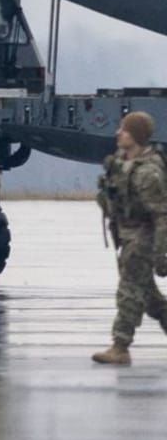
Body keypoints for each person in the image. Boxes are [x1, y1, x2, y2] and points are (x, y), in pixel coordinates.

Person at [91, 111, 167, 365]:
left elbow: (161, 215)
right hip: (126, 236)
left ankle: (120, 345)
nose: (118, 133)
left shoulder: (148, 172)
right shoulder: (120, 164)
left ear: (136, 136)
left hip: (142, 238)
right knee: (150, 298)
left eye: (124, 130)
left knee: (129, 292)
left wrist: (160, 253)